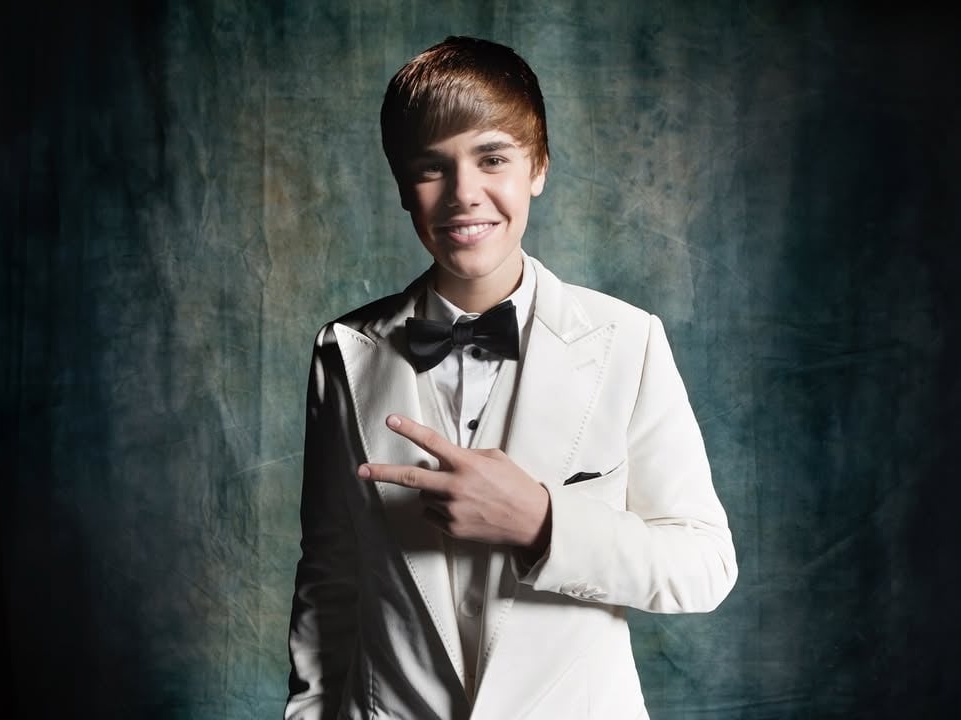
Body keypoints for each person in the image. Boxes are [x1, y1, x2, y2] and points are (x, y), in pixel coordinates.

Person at [284, 35, 738, 720]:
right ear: (403, 187)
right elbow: (328, 581)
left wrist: (544, 524)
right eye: (432, 167)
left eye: (492, 158)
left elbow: (704, 565)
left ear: (539, 167)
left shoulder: (629, 341)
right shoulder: (342, 351)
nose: (464, 194)